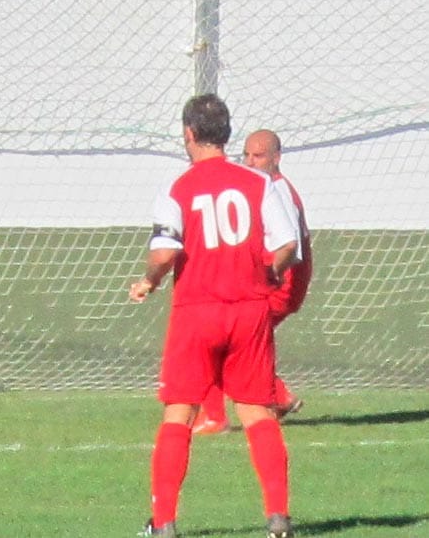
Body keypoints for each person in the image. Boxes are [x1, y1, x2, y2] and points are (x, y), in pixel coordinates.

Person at [129, 95, 300, 538]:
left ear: (188, 134)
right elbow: (287, 246)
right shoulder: (258, 182)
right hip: (248, 311)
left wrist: (149, 279)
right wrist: (267, 274)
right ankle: (278, 519)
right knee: (257, 414)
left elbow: (165, 252)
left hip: (196, 312)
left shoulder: (178, 188)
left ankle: (163, 523)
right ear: (226, 133)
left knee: (178, 415)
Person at [192, 129, 312, 435]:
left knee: (216, 335)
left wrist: (266, 277)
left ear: (276, 157)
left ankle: (217, 417)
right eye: (246, 155)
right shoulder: (263, 186)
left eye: (258, 156)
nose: (250, 161)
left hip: (279, 286)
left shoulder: (276, 189)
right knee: (229, 338)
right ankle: (277, 396)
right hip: (274, 284)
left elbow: (290, 246)